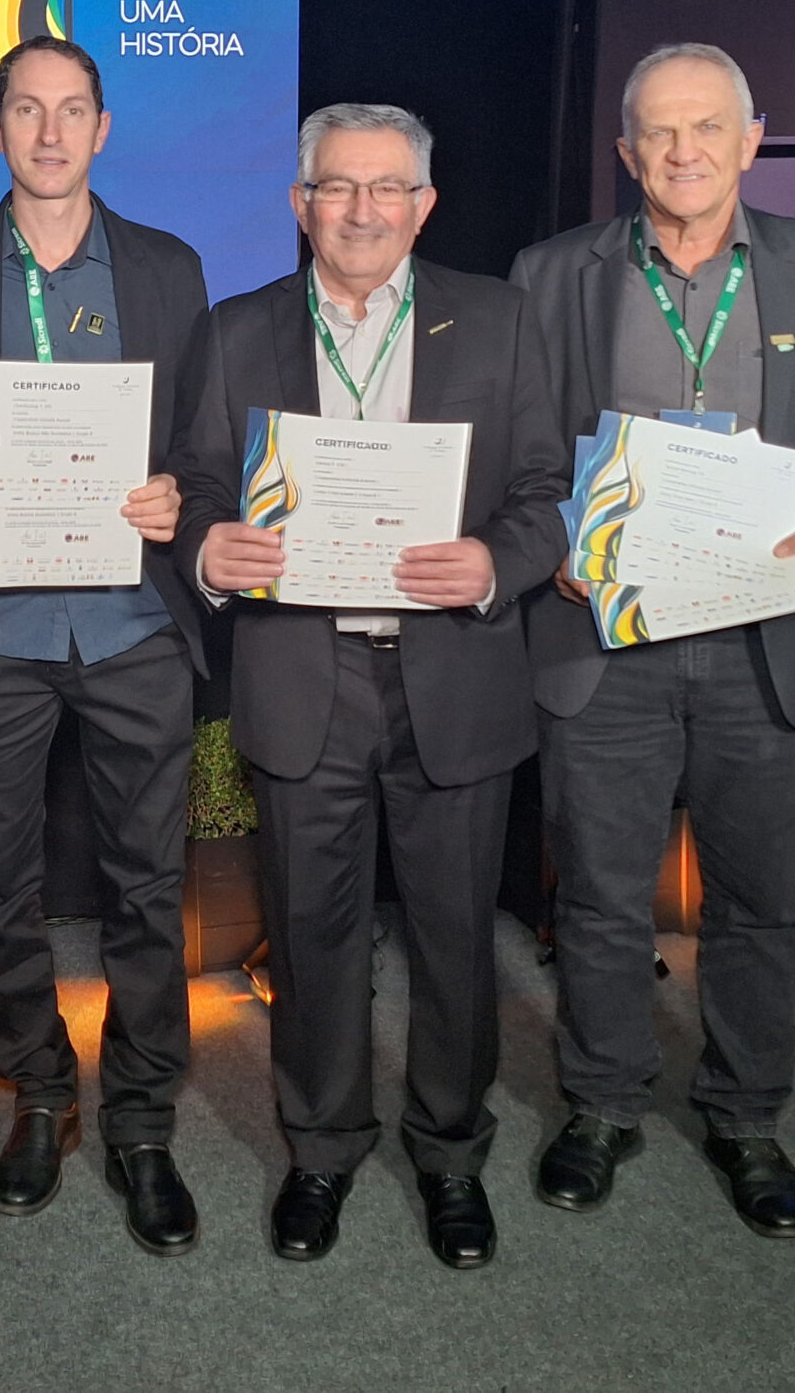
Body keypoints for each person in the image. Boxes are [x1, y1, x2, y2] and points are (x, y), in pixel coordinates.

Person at [508, 42, 795, 1239]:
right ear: (625, 151)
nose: (681, 151)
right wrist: (552, 542)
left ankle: (746, 1116)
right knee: (594, 897)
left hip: (764, 640)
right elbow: (521, 441)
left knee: (756, 901)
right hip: (606, 640)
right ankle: (600, 1104)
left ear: (751, 140)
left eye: (707, 128)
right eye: (657, 132)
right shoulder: (551, 273)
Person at [175, 103, 567, 1269]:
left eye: (385, 188)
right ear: (299, 205)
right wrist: (210, 546)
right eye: (336, 188)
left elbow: (547, 489)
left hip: (453, 667)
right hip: (307, 670)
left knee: (455, 934)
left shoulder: (497, 318)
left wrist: (498, 560)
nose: (360, 210)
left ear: (424, 205)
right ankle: (322, 1149)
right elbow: (198, 481)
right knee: (311, 933)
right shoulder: (238, 328)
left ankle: (450, 1153)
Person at [0, 36, 210, 1254]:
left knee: (144, 883)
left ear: (102, 126)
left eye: (71, 110)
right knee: (6, 883)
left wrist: (182, 492)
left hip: (131, 619)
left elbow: (201, 436)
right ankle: (36, 1088)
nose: (49, 131)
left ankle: (138, 1118)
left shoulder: (170, 268)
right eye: (25, 110)